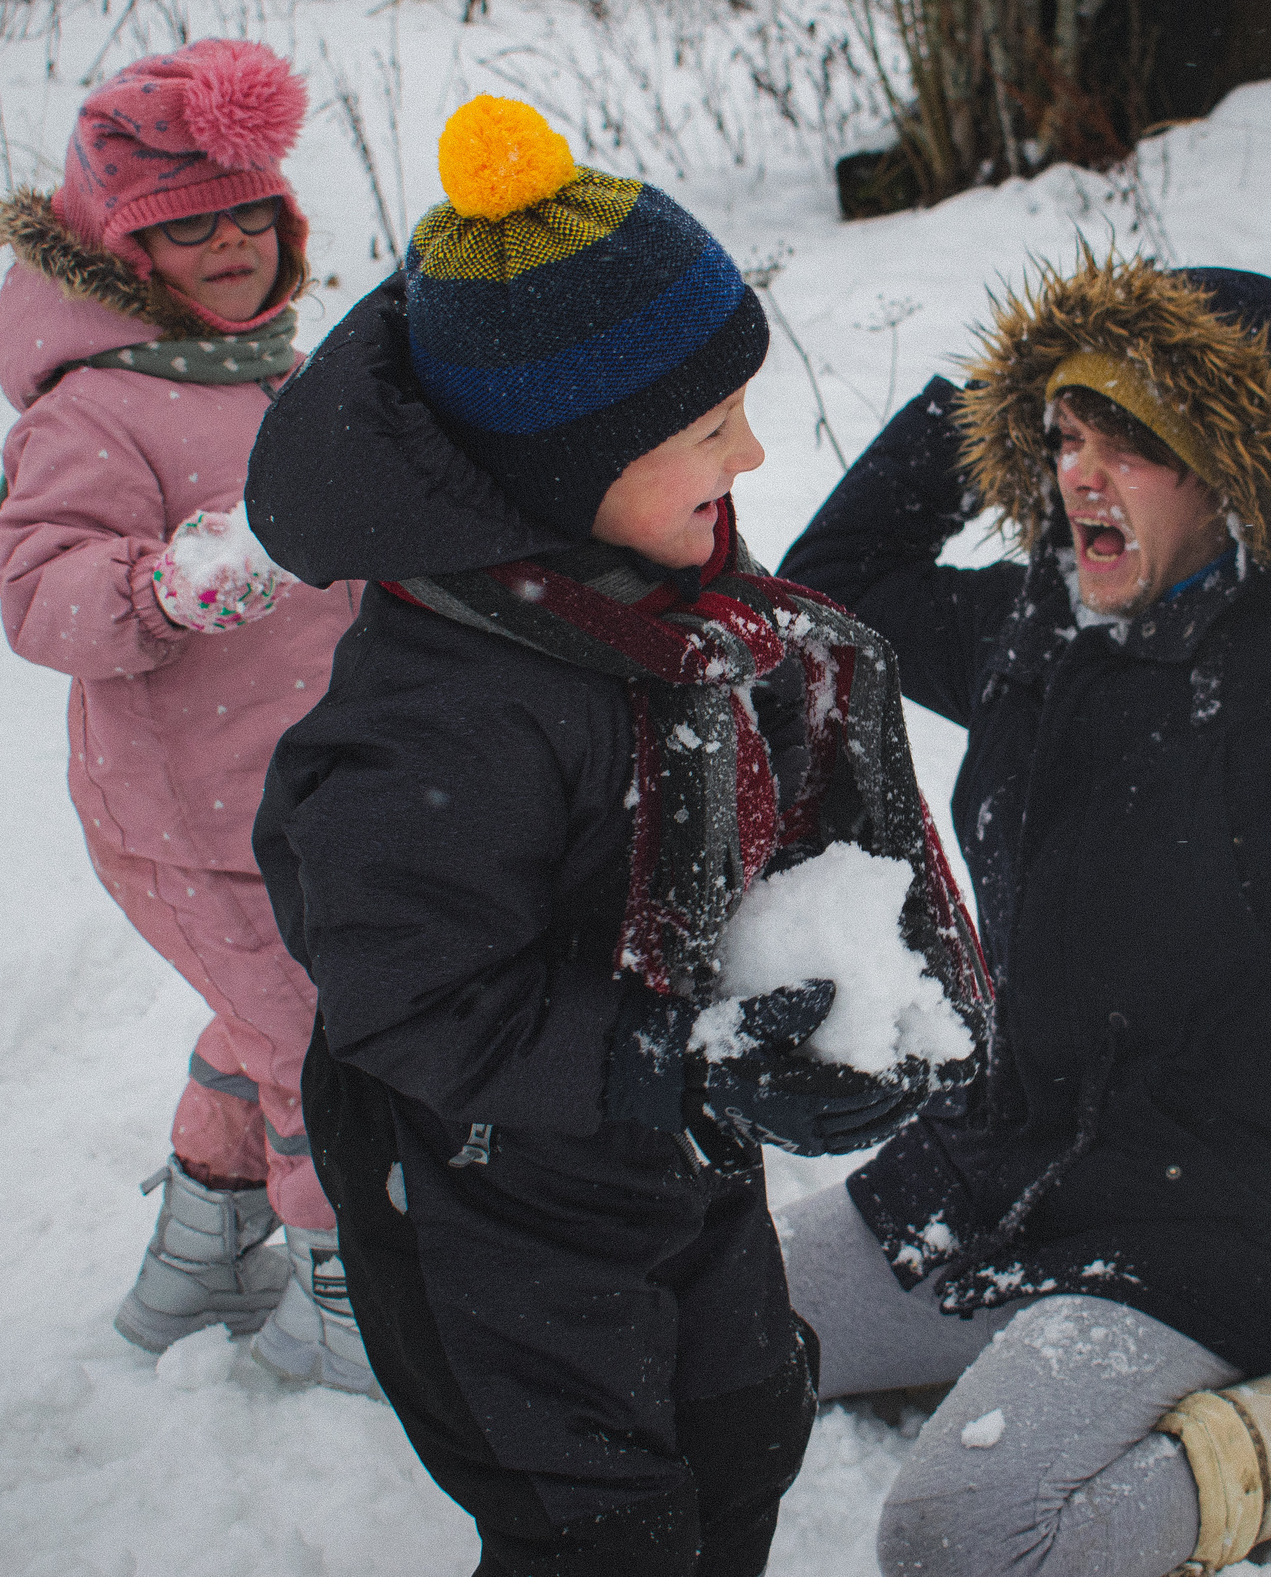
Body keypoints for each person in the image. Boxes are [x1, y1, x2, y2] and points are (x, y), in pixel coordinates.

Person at [243, 97, 988, 1577]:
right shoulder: (442, 716)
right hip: (487, 1215)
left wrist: (814, 1005)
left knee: (745, 1431)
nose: (756, 449)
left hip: (661, 1167)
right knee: (604, 1533)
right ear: (564, 473)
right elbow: (411, 998)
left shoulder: (645, 592)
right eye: (709, 429)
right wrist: (669, 1052)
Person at [773, 253, 1271, 1577]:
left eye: (1137, 443)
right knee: (696, 1325)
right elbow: (832, 596)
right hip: (991, 1170)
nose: (1082, 476)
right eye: (1065, 435)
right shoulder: (1032, 625)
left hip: (1212, 1221)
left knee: (962, 1541)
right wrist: (992, 399)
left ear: (1239, 470)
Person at [0, 38, 374, 1395]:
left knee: (265, 1017)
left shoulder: (269, 364)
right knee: (323, 1053)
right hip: (191, 821)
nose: (229, 247)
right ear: (122, 252)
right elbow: (39, 597)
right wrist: (174, 582)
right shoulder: (94, 410)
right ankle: (347, 1314)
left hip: (305, 796)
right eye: (184, 226)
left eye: (249, 213)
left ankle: (201, 1261)